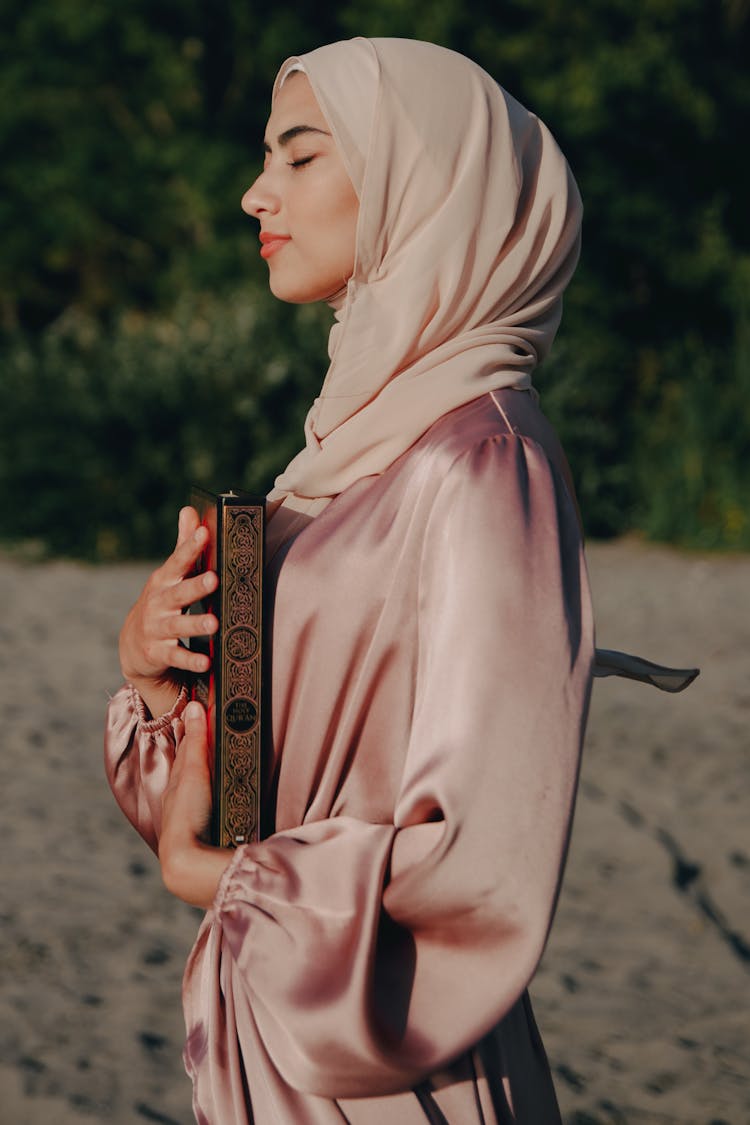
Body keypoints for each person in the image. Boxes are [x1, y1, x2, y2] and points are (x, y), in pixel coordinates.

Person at [104, 37, 693, 1124]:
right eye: (264, 159)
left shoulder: (483, 460)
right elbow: (242, 801)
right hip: (276, 1032)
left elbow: (480, 857)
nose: (255, 193)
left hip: (394, 1064)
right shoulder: (344, 455)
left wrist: (219, 883)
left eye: (301, 156)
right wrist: (158, 680)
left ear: (424, 182)